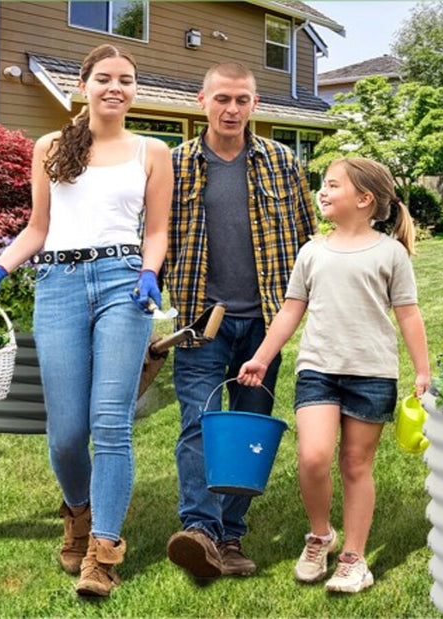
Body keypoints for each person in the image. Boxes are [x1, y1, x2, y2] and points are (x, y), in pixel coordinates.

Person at [0, 44, 172, 598]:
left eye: (125, 80)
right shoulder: (51, 146)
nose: (115, 88)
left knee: (111, 423)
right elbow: (38, 227)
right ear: (84, 86)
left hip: (125, 283)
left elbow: (156, 231)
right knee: (67, 433)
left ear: (134, 90)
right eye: (104, 78)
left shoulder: (152, 151)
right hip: (59, 286)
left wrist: (150, 272)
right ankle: (77, 512)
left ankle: (102, 551)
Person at [237, 157, 431, 594]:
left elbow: (409, 314)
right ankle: (321, 535)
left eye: (332, 185)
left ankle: (353, 559)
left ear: (364, 200)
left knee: (356, 466)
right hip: (318, 370)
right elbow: (291, 310)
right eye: (322, 185)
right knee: (313, 458)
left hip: (371, 374)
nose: (322, 192)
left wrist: (422, 370)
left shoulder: (390, 253)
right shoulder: (312, 251)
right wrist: (262, 357)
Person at [162, 62, 318, 579]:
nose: (232, 109)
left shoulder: (283, 164)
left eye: (243, 100)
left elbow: (307, 241)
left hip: (264, 324)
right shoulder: (174, 165)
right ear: (201, 101)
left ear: (255, 104)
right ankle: (201, 530)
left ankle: (229, 534)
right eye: (222, 99)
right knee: (198, 425)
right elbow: (153, 239)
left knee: (249, 430)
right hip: (200, 321)